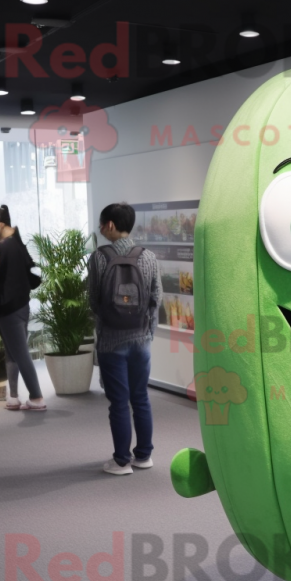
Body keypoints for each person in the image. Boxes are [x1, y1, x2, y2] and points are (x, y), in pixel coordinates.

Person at [88, 203, 162, 476]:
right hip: (141, 339)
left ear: (109, 225)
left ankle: (121, 461)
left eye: (100, 223)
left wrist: (109, 321)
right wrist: (148, 333)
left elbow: (93, 301)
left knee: (118, 402)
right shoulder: (149, 257)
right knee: (140, 397)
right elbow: (156, 300)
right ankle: (143, 456)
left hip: (111, 341)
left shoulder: (99, 257)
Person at [0, 205, 46, 411]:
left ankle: (37, 397)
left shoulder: (6, 246)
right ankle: (14, 396)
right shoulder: (16, 243)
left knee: (20, 353)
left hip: (9, 310)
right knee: (13, 352)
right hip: (20, 306)